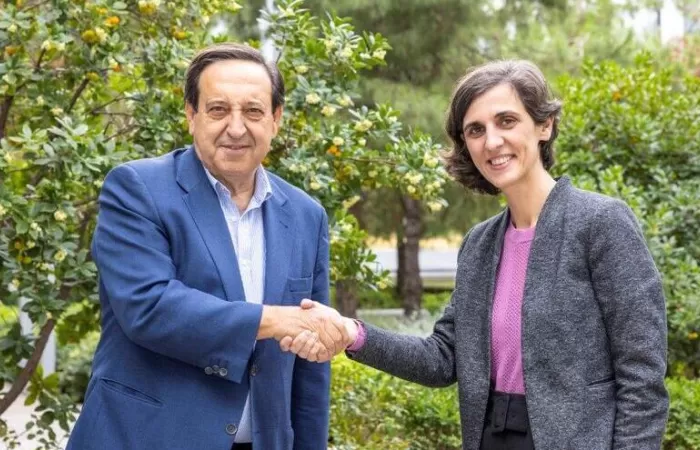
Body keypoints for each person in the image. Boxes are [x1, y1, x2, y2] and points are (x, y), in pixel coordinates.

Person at [282, 60, 669, 450]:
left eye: (506, 121)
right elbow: (442, 358)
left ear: (544, 125)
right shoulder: (479, 244)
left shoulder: (600, 223)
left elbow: (642, 378)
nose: (492, 142)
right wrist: (352, 333)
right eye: (476, 130)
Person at [67, 43, 351, 450]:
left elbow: (310, 370)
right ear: (191, 115)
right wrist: (273, 320)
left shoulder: (306, 215)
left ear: (276, 119)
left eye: (253, 111)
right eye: (218, 110)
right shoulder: (137, 189)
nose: (236, 128)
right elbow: (149, 306)